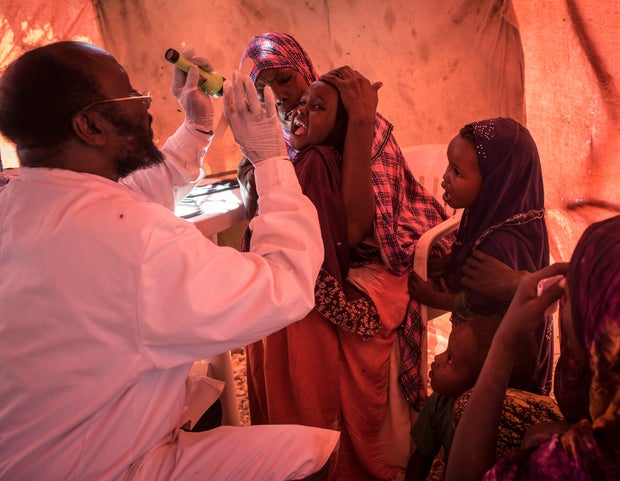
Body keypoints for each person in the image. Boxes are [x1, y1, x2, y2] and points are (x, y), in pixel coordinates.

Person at [0, 40, 339, 481]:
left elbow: (136, 188)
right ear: (89, 125)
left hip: (36, 451)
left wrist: (197, 126)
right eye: (131, 96)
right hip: (98, 466)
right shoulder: (137, 241)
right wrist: (272, 160)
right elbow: (285, 285)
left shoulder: (19, 196)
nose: (146, 104)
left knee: (204, 401)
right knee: (311, 454)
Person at [239, 32, 451, 412]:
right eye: (263, 88)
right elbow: (267, 220)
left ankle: (311, 424)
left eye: (285, 79)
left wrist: (360, 125)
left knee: (293, 310)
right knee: (276, 302)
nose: (281, 98)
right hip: (330, 255)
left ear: (304, 69)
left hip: (382, 255)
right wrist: (255, 168)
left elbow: (353, 230)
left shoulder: (360, 124)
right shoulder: (289, 139)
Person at [445, 212, 620, 481]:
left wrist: (504, 342)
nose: (566, 301)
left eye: (580, 292)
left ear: (617, 335)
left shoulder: (606, 463)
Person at [242, 75, 410, 480]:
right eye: (303, 102)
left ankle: (299, 457)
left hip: (307, 283)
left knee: (297, 387)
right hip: (297, 278)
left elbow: (337, 238)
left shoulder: (316, 160)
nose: (297, 109)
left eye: (316, 107)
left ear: (341, 126)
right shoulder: (311, 156)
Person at [408, 117, 553, 395]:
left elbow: (480, 304)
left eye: (458, 173)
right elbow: (469, 250)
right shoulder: (506, 215)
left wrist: (434, 298)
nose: (446, 176)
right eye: (450, 165)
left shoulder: (499, 245)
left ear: (494, 185)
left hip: (493, 360)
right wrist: (450, 263)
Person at [404, 318, 493, 481]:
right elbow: (422, 457)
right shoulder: (440, 402)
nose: (438, 358)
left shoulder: (493, 423)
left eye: (450, 358)